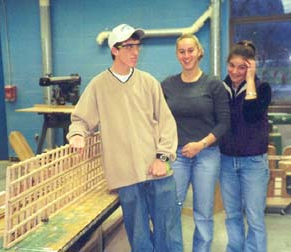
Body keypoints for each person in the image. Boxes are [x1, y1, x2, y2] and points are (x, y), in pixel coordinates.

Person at [66, 24, 183, 252]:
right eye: (128, 46)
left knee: (169, 234)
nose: (135, 52)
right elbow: (80, 119)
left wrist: (163, 157)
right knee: (139, 238)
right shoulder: (99, 85)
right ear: (114, 50)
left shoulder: (148, 82)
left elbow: (167, 123)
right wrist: (78, 134)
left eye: (137, 46)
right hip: (125, 176)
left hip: (157, 170)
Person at [161, 34, 230, 252]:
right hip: (177, 156)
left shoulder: (214, 85)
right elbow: (159, 120)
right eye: (182, 51)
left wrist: (201, 144)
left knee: (203, 212)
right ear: (177, 55)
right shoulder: (167, 85)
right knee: (172, 209)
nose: (186, 55)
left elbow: (224, 123)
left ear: (199, 52)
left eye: (191, 50)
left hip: (207, 154)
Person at [219, 40, 272, 252]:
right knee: (232, 215)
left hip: (254, 163)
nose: (235, 71)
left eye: (242, 67)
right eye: (232, 65)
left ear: (250, 67)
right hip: (226, 161)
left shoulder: (262, 88)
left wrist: (250, 80)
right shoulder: (220, 89)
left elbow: (251, 115)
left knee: (255, 216)